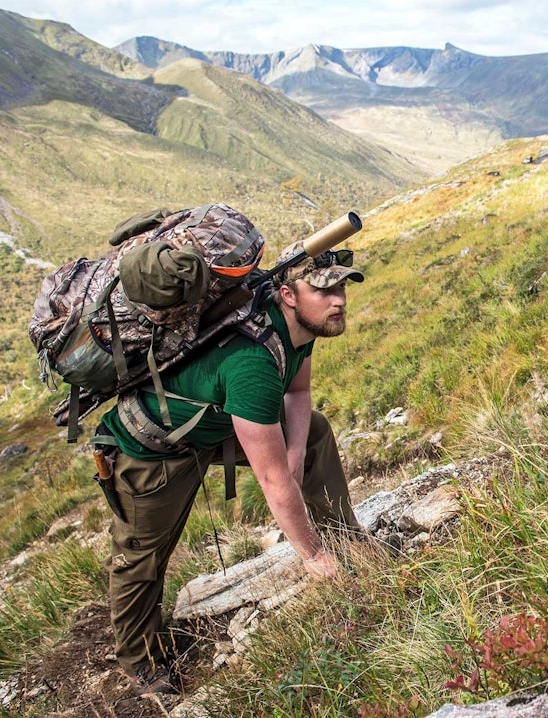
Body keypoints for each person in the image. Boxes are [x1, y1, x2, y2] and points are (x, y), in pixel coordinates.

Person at [93, 239, 365, 696]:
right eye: (323, 291)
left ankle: (346, 538)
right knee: (140, 556)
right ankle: (140, 662)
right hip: (152, 448)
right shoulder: (254, 360)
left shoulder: (298, 331)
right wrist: (312, 558)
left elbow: (297, 395)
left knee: (312, 431)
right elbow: (272, 481)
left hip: (213, 421)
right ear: (289, 294)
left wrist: (296, 452)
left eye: (342, 288)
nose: (338, 300)